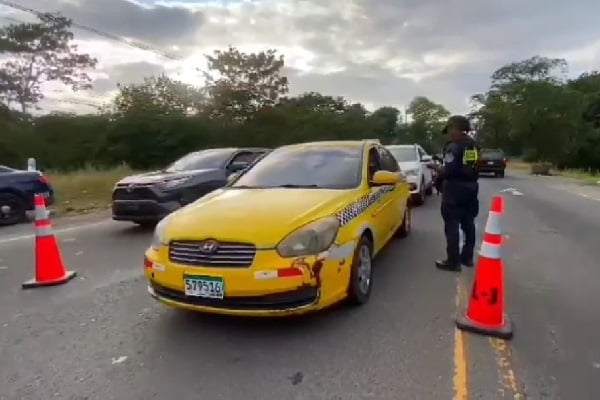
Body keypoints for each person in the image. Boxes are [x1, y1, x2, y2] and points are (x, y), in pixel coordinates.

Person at [433, 115, 480, 272]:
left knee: (452, 226)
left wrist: (435, 168)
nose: (449, 134)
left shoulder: (454, 147)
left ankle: (453, 262)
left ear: (457, 129)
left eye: (451, 130)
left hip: (454, 191)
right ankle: (467, 258)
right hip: (471, 189)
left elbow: (448, 170)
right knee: (468, 224)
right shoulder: (473, 146)